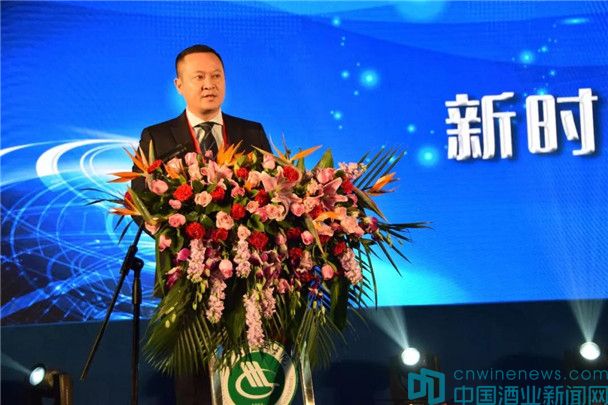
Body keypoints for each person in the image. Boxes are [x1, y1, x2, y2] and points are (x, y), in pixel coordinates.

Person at [131, 44, 271, 405]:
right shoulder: (157, 137)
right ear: (179, 85)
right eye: (199, 77)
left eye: (216, 76)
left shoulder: (251, 132)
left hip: (245, 274)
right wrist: (176, 229)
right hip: (187, 277)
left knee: (250, 372)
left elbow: (272, 194)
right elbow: (139, 202)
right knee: (194, 380)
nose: (210, 84)